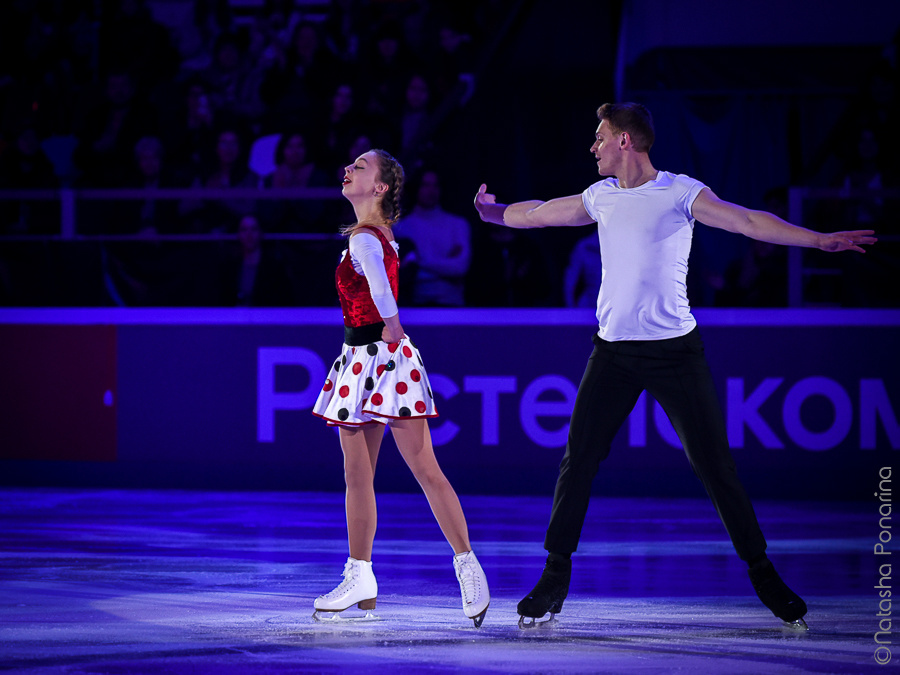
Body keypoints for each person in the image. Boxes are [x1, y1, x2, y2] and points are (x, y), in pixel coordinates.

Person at [473, 102, 876, 629]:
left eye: (599, 137)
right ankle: (553, 578)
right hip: (612, 352)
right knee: (578, 461)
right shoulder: (601, 197)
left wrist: (818, 240)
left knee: (715, 466)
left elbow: (749, 222)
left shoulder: (681, 191)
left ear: (625, 141)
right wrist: (495, 213)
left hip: (675, 353)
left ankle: (764, 575)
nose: (592, 147)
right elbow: (541, 212)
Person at [311, 148, 490, 626]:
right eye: (349, 164)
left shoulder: (366, 241)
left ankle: (466, 566)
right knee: (363, 475)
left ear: (381, 187)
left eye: (360, 167)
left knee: (416, 470)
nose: (347, 169)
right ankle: (361, 576)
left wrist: (392, 326)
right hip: (365, 358)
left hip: (380, 358)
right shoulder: (373, 236)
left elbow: (380, 290)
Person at [393, 169, 470, 306]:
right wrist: (444, 266)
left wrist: (418, 262)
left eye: (435, 185)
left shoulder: (457, 225)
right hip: (414, 306)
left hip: (452, 305)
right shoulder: (400, 228)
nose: (431, 191)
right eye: (425, 185)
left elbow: (460, 267)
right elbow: (400, 274)